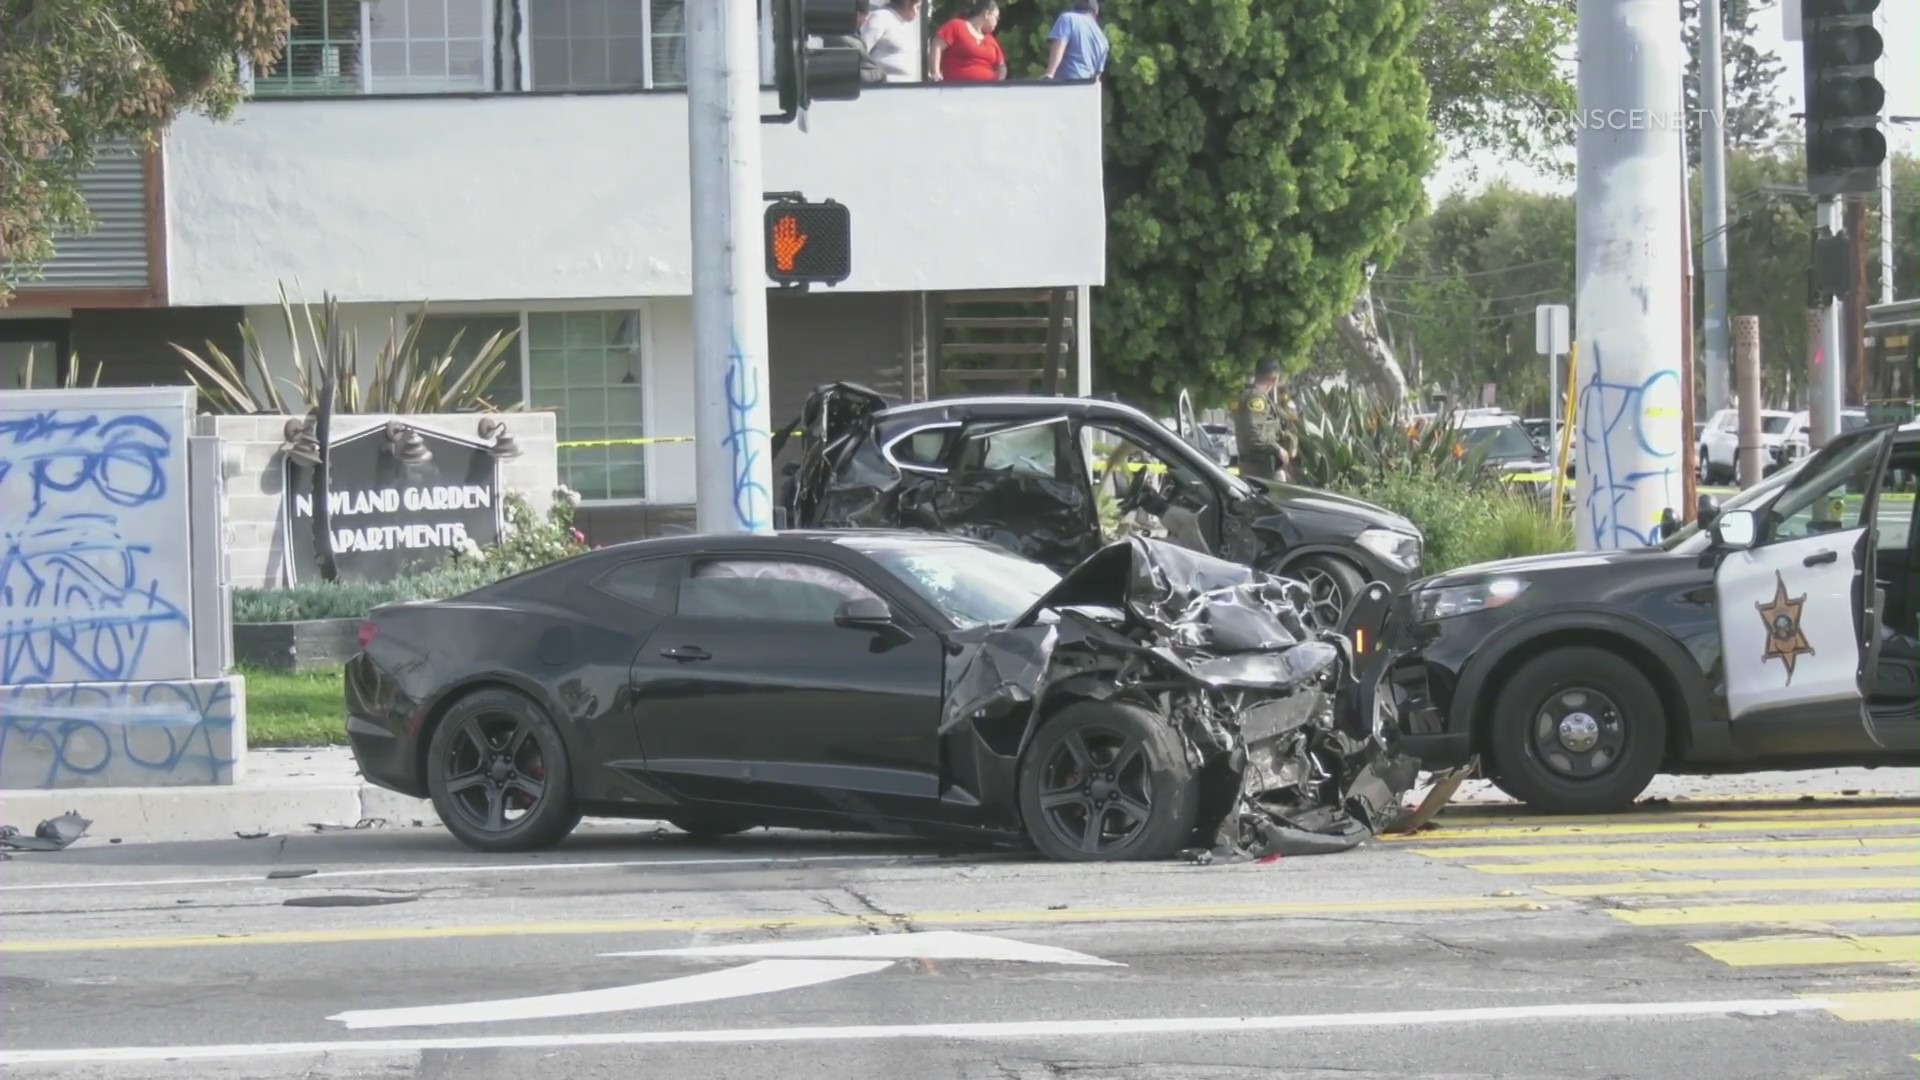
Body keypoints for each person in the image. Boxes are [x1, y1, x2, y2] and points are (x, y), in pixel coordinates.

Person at [1231, 358, 1288, 480]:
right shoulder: (1256, 399)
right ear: (1275, 379)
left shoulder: (1252, 396)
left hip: (1258, 467)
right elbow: (1254, 433)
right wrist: (1277, 449)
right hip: (1259, 469)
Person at [931, 1, 1006, 82]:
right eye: (996, 18)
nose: (997, 22)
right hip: (957, 89)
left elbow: (1001, 65)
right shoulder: (957, 26)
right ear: (987, 14)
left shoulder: (991, 40)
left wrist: (999, 83)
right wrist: (936, 73)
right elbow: (937, 45)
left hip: (987, 90)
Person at [1043, 0, 1109, 81]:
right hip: (1086, 86)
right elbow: (1098, 75)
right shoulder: (1102, 38)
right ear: (1095, 13)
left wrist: (1050, 74)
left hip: (1066, 82)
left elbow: (1059, 45)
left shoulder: (1068, 18)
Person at [860, 0, 923, 83]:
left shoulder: (907, 25)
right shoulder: (880, 18)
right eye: (917, 7)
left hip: (907, 87)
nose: (917, 14)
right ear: (907, 2)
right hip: (883, 87)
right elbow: (860, 53)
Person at [842, 0, 886, 83]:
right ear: (857, 15)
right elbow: (848, 74)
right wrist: (880, 74)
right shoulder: (844, 41)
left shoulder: (853, 37)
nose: (865, 20)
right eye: (865, 16)